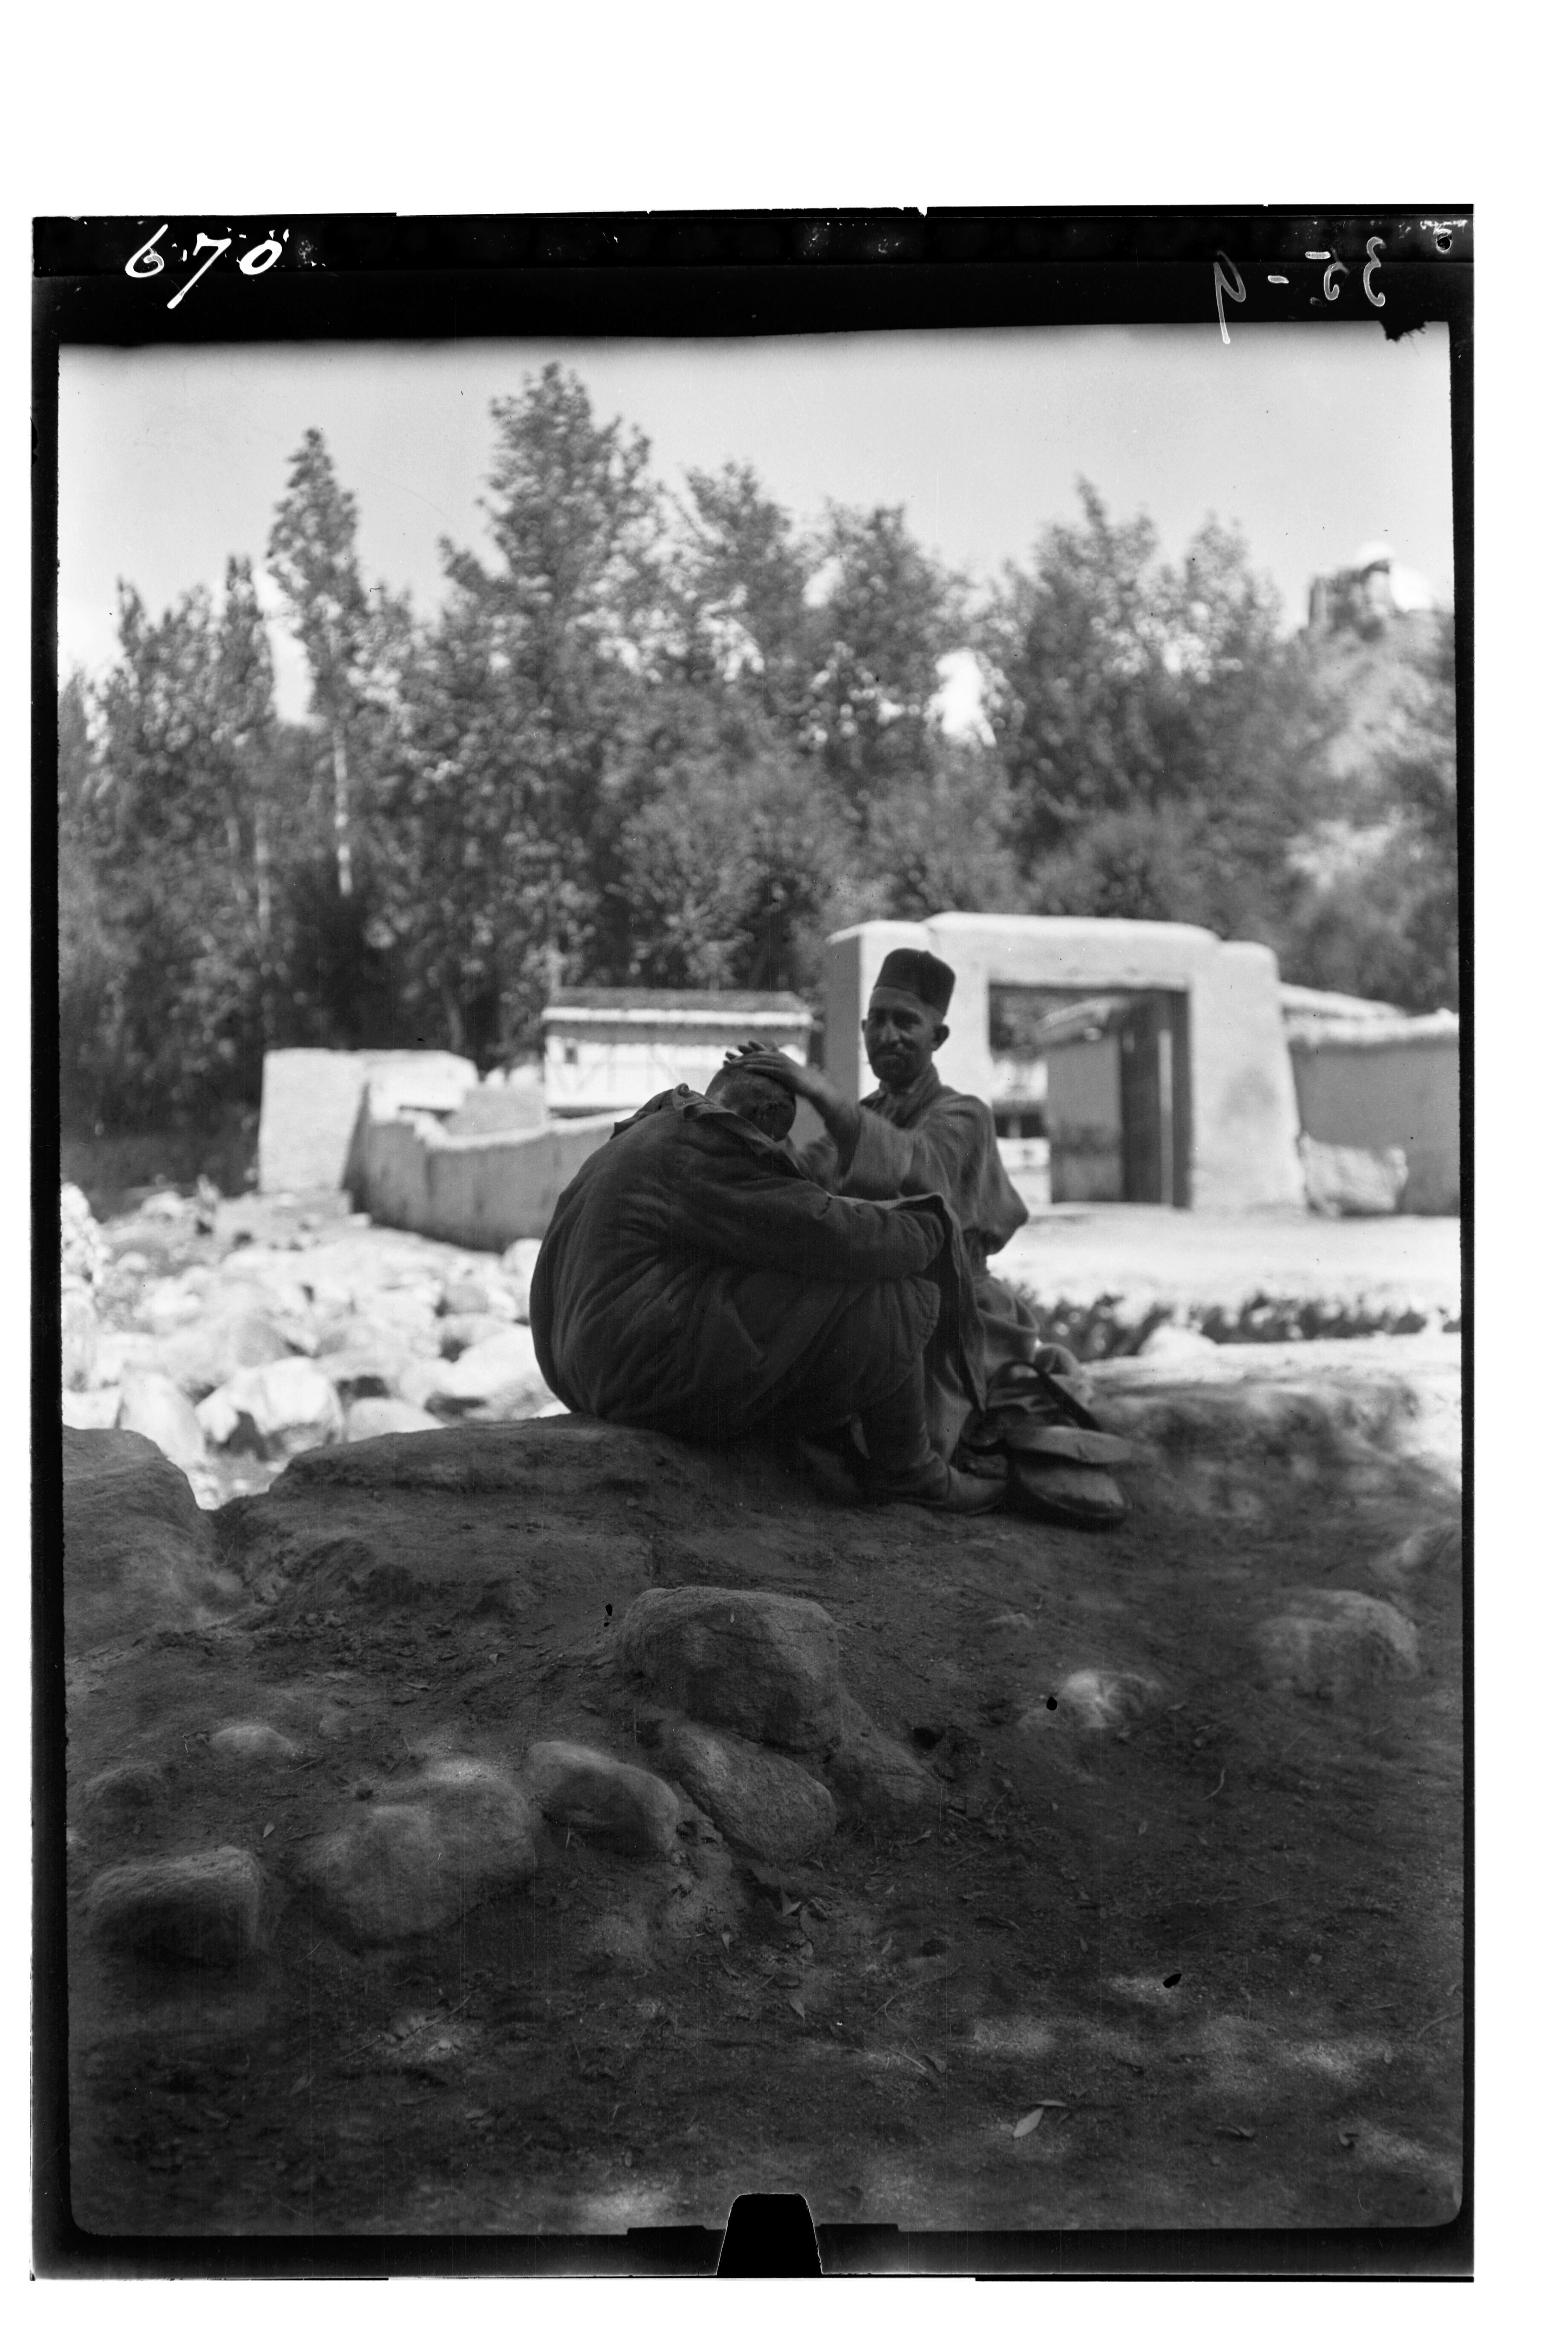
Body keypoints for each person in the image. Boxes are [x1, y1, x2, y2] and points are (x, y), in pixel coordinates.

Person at [724, 948, 1128, 1527]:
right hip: (880, 1300)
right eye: (878, 1022)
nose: (888, 1036)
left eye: (905, 1023)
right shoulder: (862, 1115)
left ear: (937, 1037)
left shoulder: (964, 1115)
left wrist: (816, 1088)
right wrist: (752, 1124)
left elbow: (920, 1166)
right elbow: (803, 1181)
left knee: (893, 1440)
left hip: (958, 1315)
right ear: (863, 1030)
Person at [527, 1058, 1001, 1513]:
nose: (775, 1147)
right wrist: (931, 1225)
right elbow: (826, 1233)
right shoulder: (709, 1144)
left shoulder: (654, 1130)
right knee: (891, 1294)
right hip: (628, 1370)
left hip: (577, 1367)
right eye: (778, 1134)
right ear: (768, 1114)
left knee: (797, 1291)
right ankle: (912, 1473)